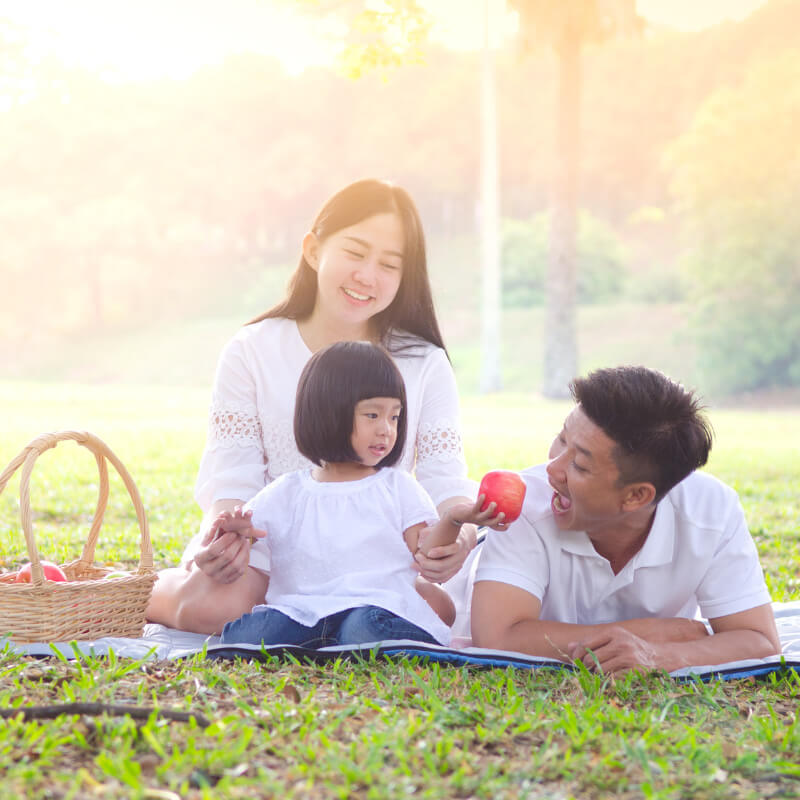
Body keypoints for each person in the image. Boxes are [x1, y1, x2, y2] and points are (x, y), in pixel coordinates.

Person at [146, 179, 479, 635]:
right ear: (313, 250)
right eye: (356, 253)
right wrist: (228, 538)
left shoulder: (424, 361)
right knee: (224, 610)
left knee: (436, 610)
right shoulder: (253, 349)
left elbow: (446, 477)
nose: (368, 276)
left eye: (389, 264)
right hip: (270, 553)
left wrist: (457, 535)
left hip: (372, 559)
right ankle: (153, 588)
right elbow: (233, 476)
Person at [471, 366, 781, 674]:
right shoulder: (525, 502)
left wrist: (658, 656)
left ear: (636, 497)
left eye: (579, 464)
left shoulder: (711, 512)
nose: (552, 469)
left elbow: (759, 640)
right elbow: (497, 637)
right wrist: (658, 633)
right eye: (561, 439)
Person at [213, 341, 505, 649]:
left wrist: (453, 520)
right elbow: (245, 533)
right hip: (304, 611)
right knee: (244, 634)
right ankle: (334, 641)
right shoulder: (287, 492)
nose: (386, 429)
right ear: (328, 414)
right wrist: (234, 530)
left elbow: (426, 550)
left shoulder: (398, 487)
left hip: (375, 608)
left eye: (394, 417)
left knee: (363, 628)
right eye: (372, 415)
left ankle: (343, 641)